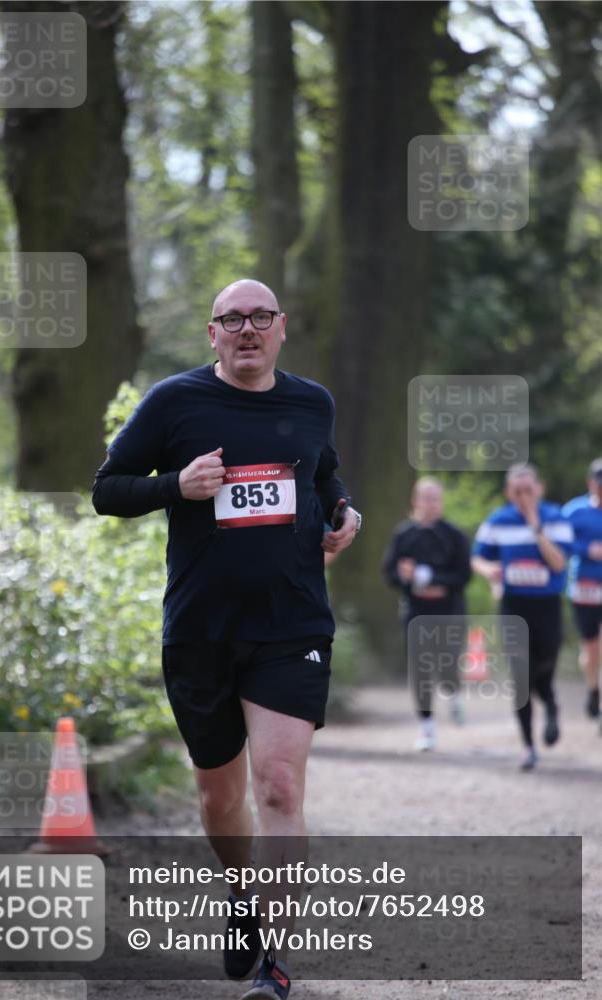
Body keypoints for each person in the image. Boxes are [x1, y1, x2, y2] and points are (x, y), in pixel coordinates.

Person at [92, 278, 361, 999]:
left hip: (291, 626)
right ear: (211, 333)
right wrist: (174, 485)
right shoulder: (175, 404)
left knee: (278, 785)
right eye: (231, 319)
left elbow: (323, 473)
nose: (247, 329)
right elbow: (106, 488)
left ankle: (276, 967)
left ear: (280, 330)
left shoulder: (311, 403)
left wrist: (340, 510)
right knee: (219, 798)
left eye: (260, 317)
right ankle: (241, 896)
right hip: (201, 631)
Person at [472, 463, 573, 771]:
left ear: (539, 489)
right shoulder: (497, 521)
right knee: (520, 677)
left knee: (543, 670)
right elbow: (478, 556)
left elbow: (558, 564)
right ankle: (528, 746)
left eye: (529, 490)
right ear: (508, 493)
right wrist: (489, 570)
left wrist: (535, 526)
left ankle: (552, 704)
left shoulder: (556, 518)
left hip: (547, 607)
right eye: (517, 492)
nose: (524, 497)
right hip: (513, 606)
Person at [382, 478, 471, 751]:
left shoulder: (454, 535)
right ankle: (427, 728)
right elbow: (389, 573)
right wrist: (406, 577)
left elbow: (464, 575)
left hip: (450, 612)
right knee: (421, 669)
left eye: (435, 498)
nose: (430, 504)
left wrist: (433, 578)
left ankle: (453, 694)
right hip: (416, 613)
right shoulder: (404, 534)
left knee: (447, 665)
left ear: (441, 502)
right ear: (415, 501)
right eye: (426, 498)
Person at [562, 458, 602, 726]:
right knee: (591, 647)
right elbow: (559, 541)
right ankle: (592, 689)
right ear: (591, 483)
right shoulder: (575, 511)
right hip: (584, 588)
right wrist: (586, 550)